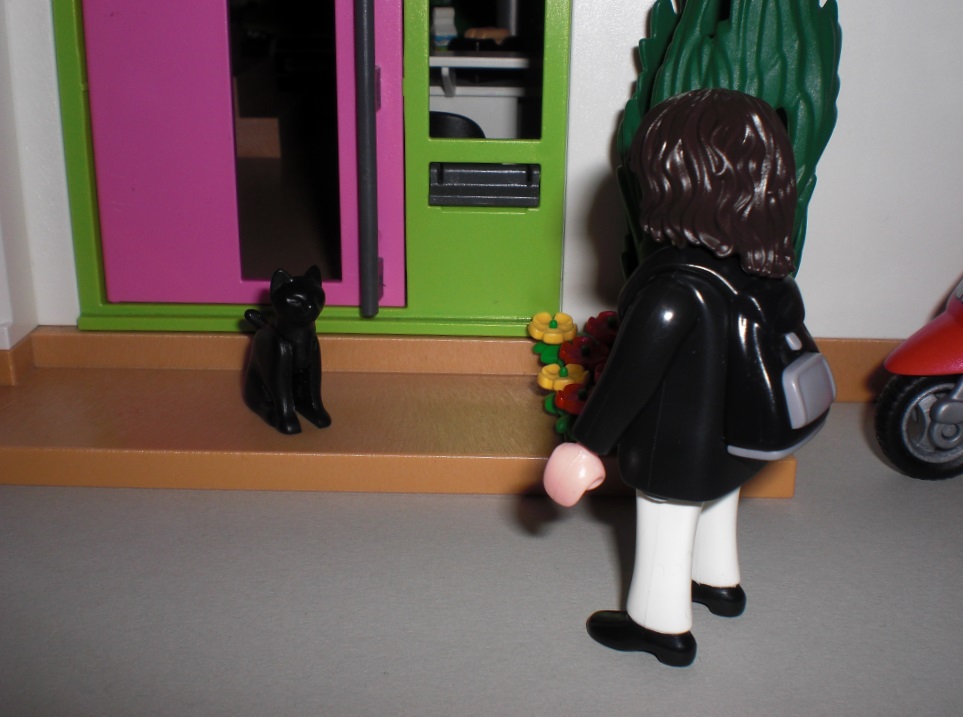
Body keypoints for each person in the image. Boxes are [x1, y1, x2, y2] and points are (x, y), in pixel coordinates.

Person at [543, 88, 831, 667]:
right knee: (719, 499)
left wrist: (585, 444)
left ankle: (659, 624)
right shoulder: (764, 269)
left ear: (671, 184)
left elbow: (628, 378)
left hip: (676, 449)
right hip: (740, 437)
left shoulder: (673, 289)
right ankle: (719, 583)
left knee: (666, 525)